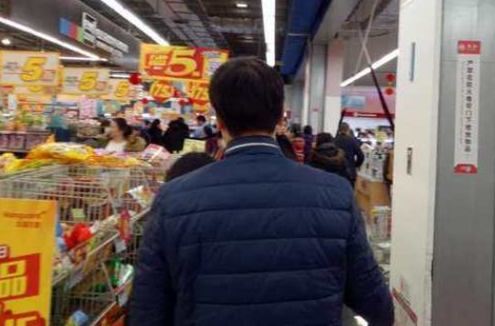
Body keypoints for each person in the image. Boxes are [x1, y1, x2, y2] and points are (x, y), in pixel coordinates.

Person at [130, 58, 394, 326]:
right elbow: (378, 307)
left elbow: (146, 311)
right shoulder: (336, 194)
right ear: (280, 117)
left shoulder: (173, 198)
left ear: (219, 119)